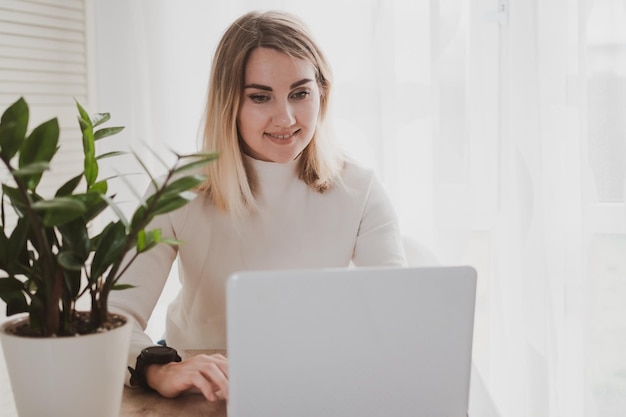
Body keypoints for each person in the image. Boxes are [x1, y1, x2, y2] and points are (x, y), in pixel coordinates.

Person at [110, 9, 407, 402]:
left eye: (300, 93)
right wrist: (160, 369)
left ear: (322, 91)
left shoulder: (360, 188)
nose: (285, 118)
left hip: (315, 383)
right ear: (229, 102)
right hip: (203, 390)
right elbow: (113, 319)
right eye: (260, 97)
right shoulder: (178, 190)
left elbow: (398, 318)